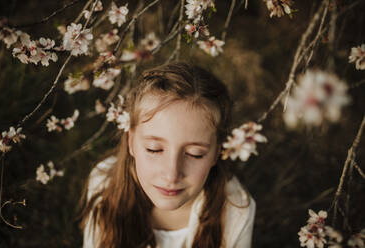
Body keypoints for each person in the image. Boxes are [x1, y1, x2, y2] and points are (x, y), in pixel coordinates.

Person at [80, 62, 256, 248]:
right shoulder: (104, 184)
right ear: (131, 142)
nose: (171, 174)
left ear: (217, 152)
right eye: (154, 149)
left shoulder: (236, 209)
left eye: (195, 154)